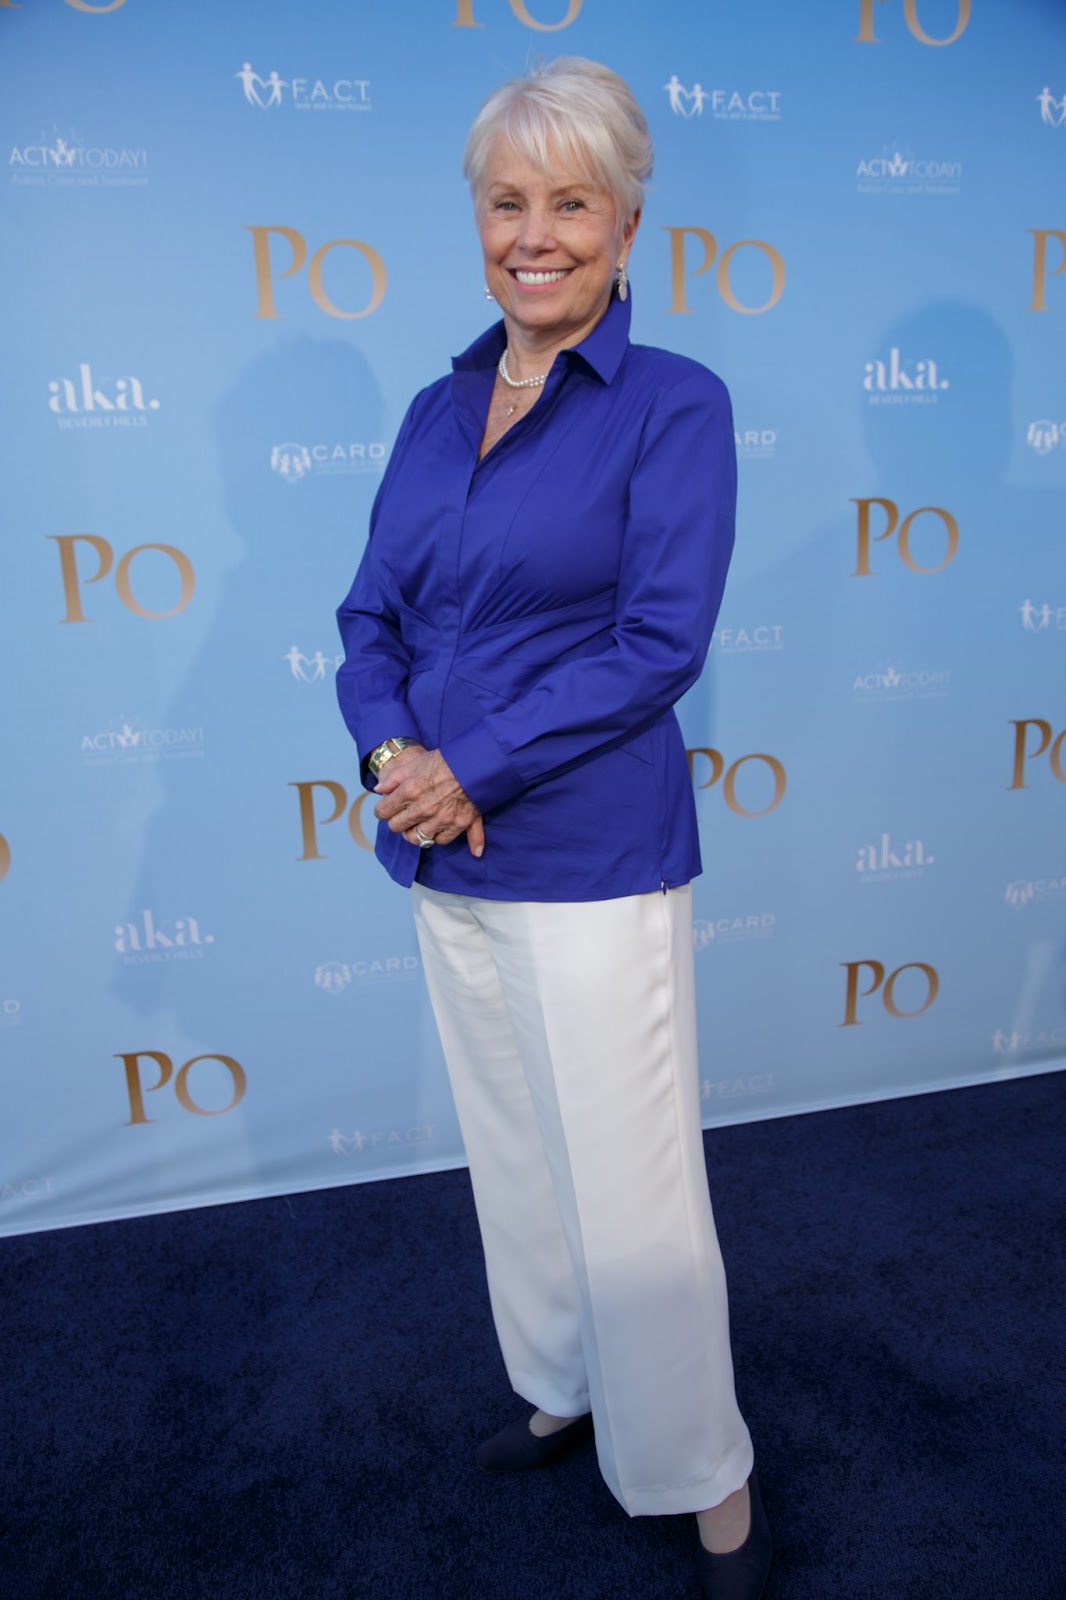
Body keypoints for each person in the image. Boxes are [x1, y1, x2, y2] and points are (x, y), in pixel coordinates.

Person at [335, 57, 772, 1600]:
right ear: (478, 219)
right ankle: (562, 1391)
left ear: (626, 221)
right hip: (441, 850)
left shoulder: (674, 405)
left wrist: (473, 764)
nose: (536, 234)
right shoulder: (434, 403)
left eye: (568, 202)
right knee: (514, 1152)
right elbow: (367, 614)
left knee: (631, 1180)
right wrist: (395, 749)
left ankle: (699, 1475)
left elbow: (656, 645)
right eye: (507, 202)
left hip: (585, 851)